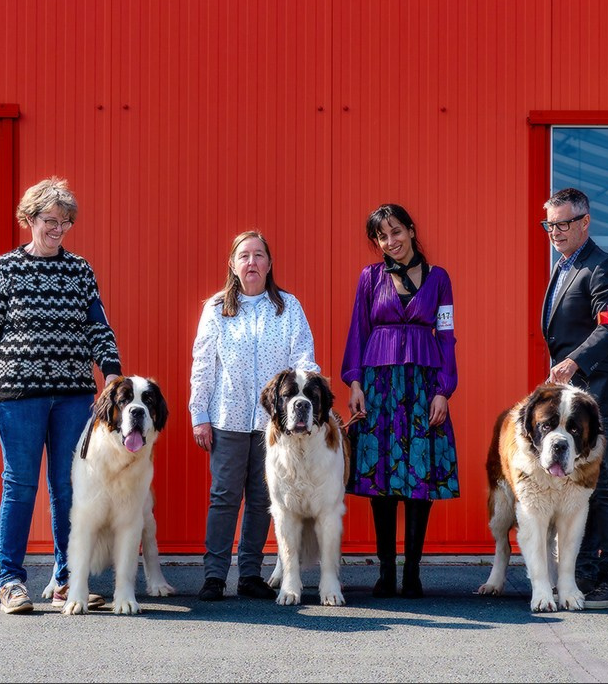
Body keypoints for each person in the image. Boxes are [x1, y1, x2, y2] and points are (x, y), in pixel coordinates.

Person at [0, 177, 121, 614]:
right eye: (50, 220)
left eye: (65, 222)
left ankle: (67, 580)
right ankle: (11, 582)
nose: (58, 229)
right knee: (19, 487)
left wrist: (112, 374)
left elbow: (98, 327)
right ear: (29, 219)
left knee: (69, 488)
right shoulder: (5, 270)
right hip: (19, 397)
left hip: (74, 396)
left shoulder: (80, 270)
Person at [189, 230, 319, 602]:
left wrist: (308, 395)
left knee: (264, 499)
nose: (252, 262)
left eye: (259, 255)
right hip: (227, 417)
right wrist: (199, 413)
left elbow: (303, 356)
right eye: (244, 256)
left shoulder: (287, 307)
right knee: (224, 496)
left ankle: (250, 574)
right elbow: (203, 365)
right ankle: (214, 575)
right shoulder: (216, 309)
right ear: (232, 264)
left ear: (269, 264)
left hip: (275, 427)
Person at [342, 203, 460, 599]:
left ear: (410, 230)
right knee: (382, 481)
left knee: (419, 478)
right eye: (382, 236)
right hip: (379, 387)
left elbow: (447, 336)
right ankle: (386, 573)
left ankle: (412, 574)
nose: (390, 241)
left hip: (423, 387)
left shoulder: (439, 278)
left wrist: (444, 389)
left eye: (396, 232)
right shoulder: (369, 278)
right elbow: (358, 332)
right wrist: (355, 383)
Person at [540, 187, 608, 609]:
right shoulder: (563, 268)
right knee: (581, 485)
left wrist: (574, 362)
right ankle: (587, 574)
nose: (555, 232)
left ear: (584, 222)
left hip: (600, 399)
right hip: (573, 402)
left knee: (604, 485)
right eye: (549, 224)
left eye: (562, 224)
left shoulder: (604, 269)